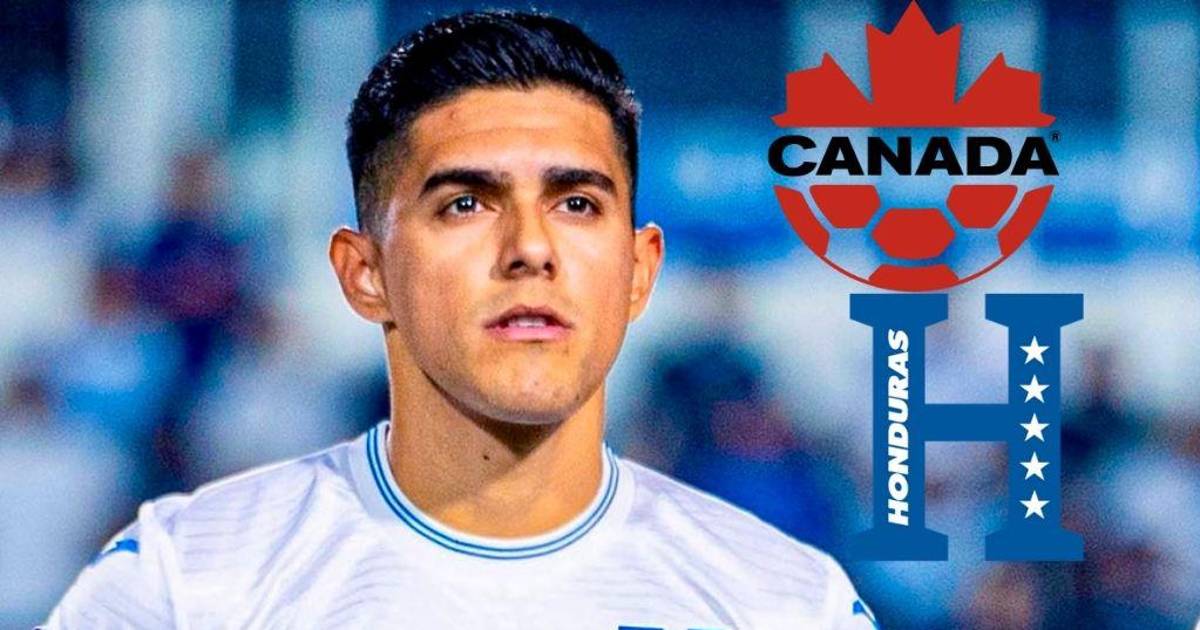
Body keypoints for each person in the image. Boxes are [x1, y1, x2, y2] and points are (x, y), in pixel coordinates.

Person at [46, 10, 877, 629]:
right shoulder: (185, 584)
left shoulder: (785, 603)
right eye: (466, 203)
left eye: (577, 204)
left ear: (638, 272)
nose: (530, 249)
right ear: (365, 273)